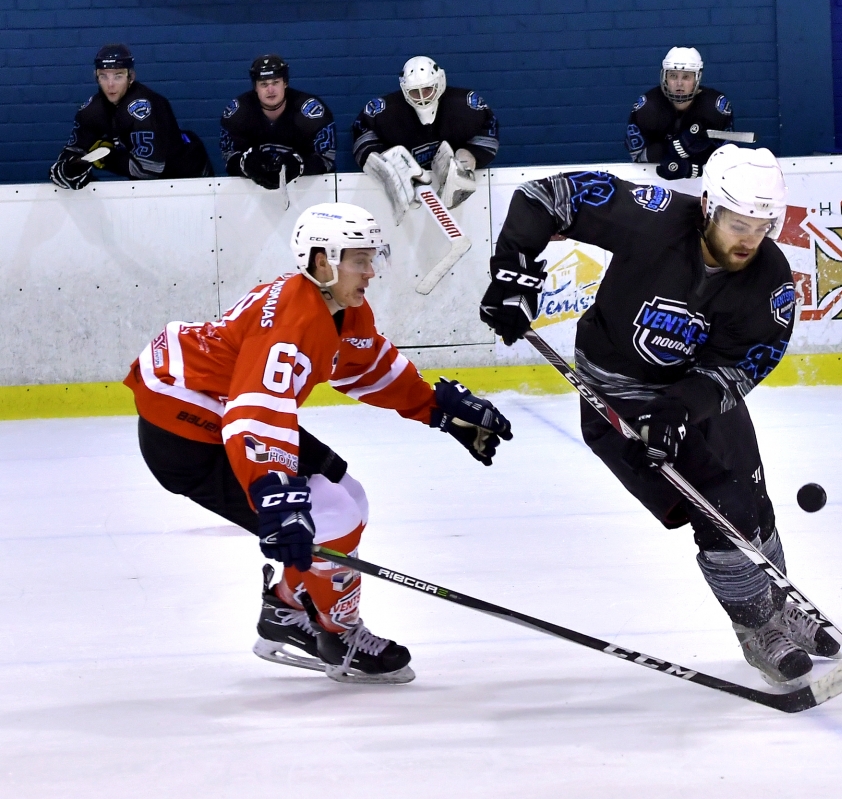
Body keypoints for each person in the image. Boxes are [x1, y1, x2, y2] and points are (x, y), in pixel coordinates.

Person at [478, 146, 840, 687]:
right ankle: (756, 626)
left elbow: (745, 365)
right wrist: (513, 276)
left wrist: (681, 407)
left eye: (762, 227)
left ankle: (777, 604)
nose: (749, 239)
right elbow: (543, 196)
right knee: (717, 510)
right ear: (709, 207)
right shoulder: (651, 216)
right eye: (738, 224)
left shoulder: (771, 283)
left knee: (751, 500)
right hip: (617, 398)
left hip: (694, 396)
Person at [124, 202, 513, 685]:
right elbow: (255, 411)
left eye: (373, 258)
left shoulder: (339, 307)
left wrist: (435, 407)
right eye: (360, 260)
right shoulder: (293, 320)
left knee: (350, 497)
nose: (371, 272)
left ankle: (286, 609)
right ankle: (337, 632)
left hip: (223, 409)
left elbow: (365, 366)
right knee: (331, 516)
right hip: (185, 432)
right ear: (323, 261)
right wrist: (274, 492)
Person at [352, 56, 499, 219]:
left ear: (440, 81)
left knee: (461, 163)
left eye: (428, 89)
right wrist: (387, 166)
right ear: (404, 89)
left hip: (454, 196)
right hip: (406, 200)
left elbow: (488, 135)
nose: (422, 97)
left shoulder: (465, 105)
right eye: (415, 92)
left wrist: (467, 159)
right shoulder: (383, 111)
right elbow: (363, 142)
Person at [49, 44, 212, 190]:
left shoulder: (143, 107)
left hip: (191, 176)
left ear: (131, 77)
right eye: (104, 76)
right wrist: (72, 169)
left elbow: (149, 169)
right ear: (96, 77)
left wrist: (107, 158)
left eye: (118, 76)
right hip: (158, 183)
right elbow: (69, 156)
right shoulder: (92, 110)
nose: (110, 84)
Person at [219, 55, 337, 190]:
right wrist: (247, 164)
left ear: (285, 83)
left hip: (308, 192)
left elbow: (327, 159)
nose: (270, 90)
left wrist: (298, 165)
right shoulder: (238, 113)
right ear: (255, 87)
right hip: (252, 194)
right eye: (264, 84)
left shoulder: (310, 113)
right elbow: (228, 157)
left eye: (275, 82)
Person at [625, 47, 735, 180]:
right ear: (665, 77)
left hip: (704, 183)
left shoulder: (715, 108)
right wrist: (668, 152)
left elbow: (728, 157)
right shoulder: (647, 107)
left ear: (697, 78)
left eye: (686, 77)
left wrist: (694, 165)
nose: (679, 83)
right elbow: (637, 157)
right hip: (656, 180)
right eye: (673, 76)